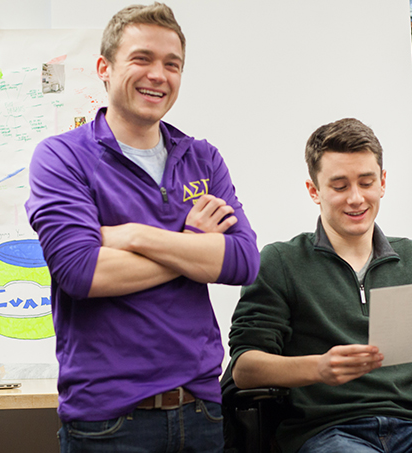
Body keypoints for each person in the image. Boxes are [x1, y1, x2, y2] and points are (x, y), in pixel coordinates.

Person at [25, 3, 260, 451]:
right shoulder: (62, 158)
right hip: (109, 420)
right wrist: (195, 248)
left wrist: (133, 236)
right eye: (142, 59)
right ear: (105, 69)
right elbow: (82, 272)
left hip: (202, 410)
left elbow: (244, 263)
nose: (159, 75)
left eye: (172, 65)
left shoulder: (202, 157)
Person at [229, 117, 412, 453]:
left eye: (366, 183)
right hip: (326, 433)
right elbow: (245, 369)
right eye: (340, 186)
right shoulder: (281, 262)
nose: (356, 198)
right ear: (314, 191)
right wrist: (318, 367)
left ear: (383, 183)